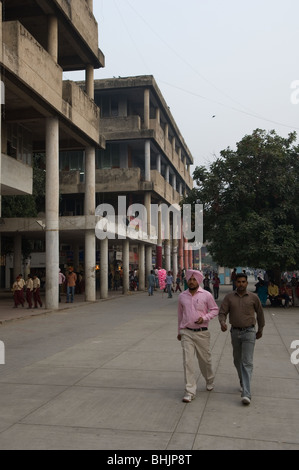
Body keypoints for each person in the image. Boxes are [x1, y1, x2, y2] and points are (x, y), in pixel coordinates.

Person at [219, 272, 265, 405]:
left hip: (249, 332)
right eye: (238, 282)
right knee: (237, 360)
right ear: (235, 282)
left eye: (243, 282)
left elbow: (260, 314)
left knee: (247, 362)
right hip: (235, 332)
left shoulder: (253, 297)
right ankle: (242, 380)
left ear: (246, 283)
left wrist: (260, 329)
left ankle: (246, 393)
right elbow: (222, 312)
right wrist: (222, 322)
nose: (241, 284)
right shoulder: (229, 298)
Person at [177, 269, 219, 403]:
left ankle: (209, 379)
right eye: (189, 279)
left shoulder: (206, 295)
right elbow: (180, 315)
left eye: (194, 279)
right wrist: (179, 331)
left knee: (205, 361)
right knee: (188, 362)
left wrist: (205, 317)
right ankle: (190, 391)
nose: (191, 281)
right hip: (186, 332)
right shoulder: (182, 296)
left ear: (199, 281)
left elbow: (215, 310)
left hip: (202, 333)